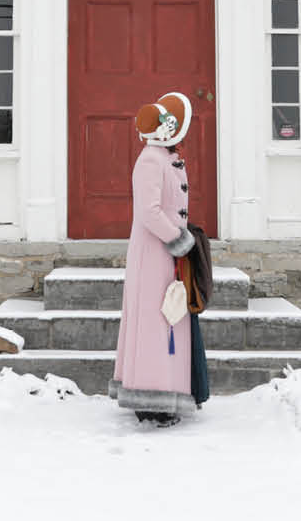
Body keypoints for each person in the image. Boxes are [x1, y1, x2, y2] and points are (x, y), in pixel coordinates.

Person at [109, 91, 199, 424]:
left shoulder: (166, 157)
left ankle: (169, 392)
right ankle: (150, 397)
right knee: (155, 320)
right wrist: (178, 238)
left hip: (168, 252)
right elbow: (149, 212)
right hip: (154, 253)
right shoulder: (150, 160)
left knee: (169, 318)